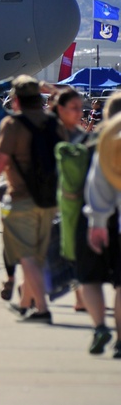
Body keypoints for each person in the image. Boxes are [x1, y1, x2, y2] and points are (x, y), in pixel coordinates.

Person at [0, 75, 65, 323]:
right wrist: (47, 88)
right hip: (50, 199)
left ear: (15, 102)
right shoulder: (54, 122)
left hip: (21, 197)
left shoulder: (12, 124)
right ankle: (25, 303)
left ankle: (42, 309)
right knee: (38, 256)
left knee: (26, 255)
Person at [83, 105, 121, 358]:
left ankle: (102, 328)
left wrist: (97, 222)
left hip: (110, 220)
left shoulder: (107, 138)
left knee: (93, 279)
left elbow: (98, 185)